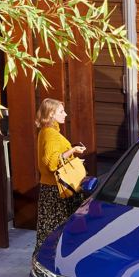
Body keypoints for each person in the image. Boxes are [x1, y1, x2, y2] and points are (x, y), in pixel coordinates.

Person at [34, 98, 86, 254]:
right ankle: (52, 260)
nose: (66, 114)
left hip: (53, 188)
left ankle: (48, 259)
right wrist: (73, 150)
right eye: (61, 111)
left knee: (51, 229)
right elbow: (51, 162)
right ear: (51, 114)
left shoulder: (48, 131)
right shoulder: (50, 134)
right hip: (57, 190)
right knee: (56, 229)